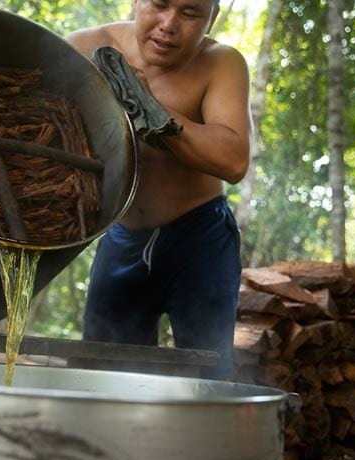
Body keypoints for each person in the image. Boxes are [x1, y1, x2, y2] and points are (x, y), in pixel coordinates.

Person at [67, 0, 252, 379]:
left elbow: (233, 161)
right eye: (160, 4)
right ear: (136, 2)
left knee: (209, 375)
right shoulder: (85, 48)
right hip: (123, 235)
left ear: (211, 18)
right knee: (99, 374)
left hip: (200, 240)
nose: (169, 24)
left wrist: (151, 109)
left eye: (190, 13)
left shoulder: (222, 63)